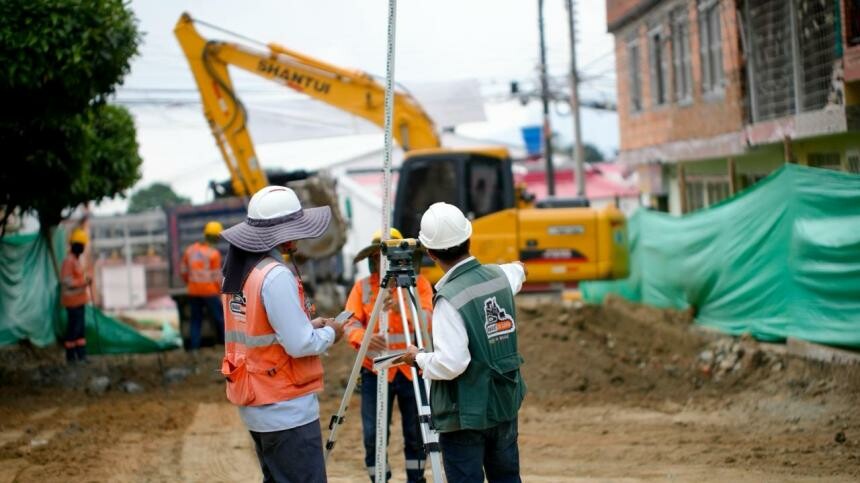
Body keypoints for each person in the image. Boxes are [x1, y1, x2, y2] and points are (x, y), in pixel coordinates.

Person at [219, 185, 344, 483]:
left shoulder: (241, 272)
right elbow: (300, 345)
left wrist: (306, 326)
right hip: (285, 407)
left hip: (257, 403)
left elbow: (259, 330)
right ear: (282, 233)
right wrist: (332, 333)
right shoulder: (275, 276)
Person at [399, 202, 527, 483]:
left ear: (431, 253)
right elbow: (517, 271)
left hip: (465, 416)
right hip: (503, 403)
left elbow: (451, 363)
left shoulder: (449, 299)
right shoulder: (499, 277)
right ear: (469, 239)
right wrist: (518, 267)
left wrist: (418, 358)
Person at [343, 228, 434, 483]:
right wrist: (364, 338)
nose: (382, 262)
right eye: (378, 256)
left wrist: (402, 307)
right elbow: (350, 323)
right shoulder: (362, 288)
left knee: (417, 433)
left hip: (411, 370)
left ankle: (416, 478)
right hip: (375, 370)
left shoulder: (420, 285)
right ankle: (379, 478)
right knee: (373, 435)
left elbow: (429, 322)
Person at [180, 221, 225, 349]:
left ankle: (195, 348)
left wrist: (190, 283)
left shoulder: (190, 250)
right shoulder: (213, 254)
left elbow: (183, 271)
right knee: (219, 318)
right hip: (209, 291)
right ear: (216, 237)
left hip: (193, 291)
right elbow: (216, 277)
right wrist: (220, 292)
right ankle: (225, 344)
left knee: (196, 320)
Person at [61, 228, 91, 364]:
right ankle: (71, 357)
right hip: (72, 302)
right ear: (76, 246)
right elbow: (67, 281)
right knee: (73, 330)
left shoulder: (76, 261)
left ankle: (81, 355)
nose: (83, 248)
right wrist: (84, 282)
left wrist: (85, 281)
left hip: (79, 301)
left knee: (80, 331)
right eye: (82, 245)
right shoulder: (69, 261)